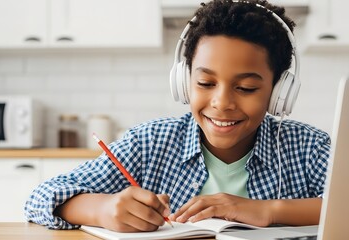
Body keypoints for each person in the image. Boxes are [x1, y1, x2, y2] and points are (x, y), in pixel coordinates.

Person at [24, 0, 330, 232]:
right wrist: (101, 209)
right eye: (205, 83)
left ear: (279, 92)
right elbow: (40, 197)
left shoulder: (306, 147)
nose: (221, 103)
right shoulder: (149, 143)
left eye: (246, 87)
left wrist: (269, 211)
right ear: (184, 82)